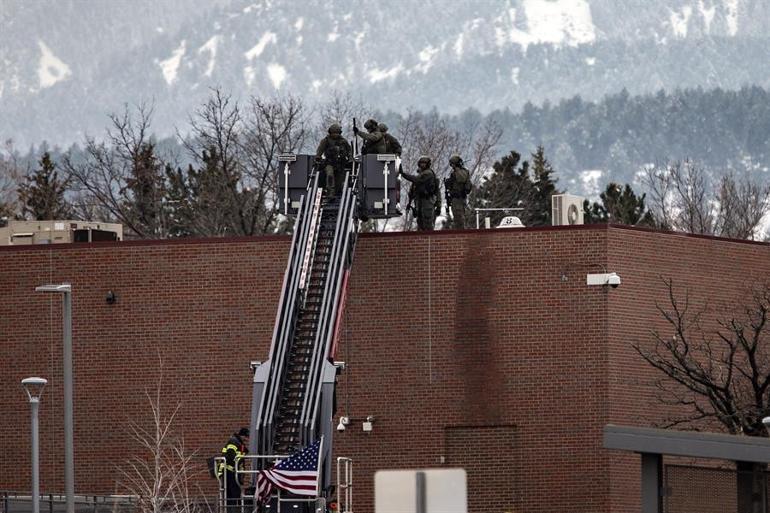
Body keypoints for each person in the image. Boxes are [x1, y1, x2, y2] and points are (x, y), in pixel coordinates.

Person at [399, 156, 440, 231]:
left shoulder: (428, 173)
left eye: (424, 163)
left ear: (428, 164)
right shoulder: (422, 174)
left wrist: (403, 174)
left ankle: (430, 239)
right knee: (420, 222)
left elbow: (416, 179)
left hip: (427, 201)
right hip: (420, 200)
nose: (422, 165)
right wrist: (410, 201)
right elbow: (413, 190)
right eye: (421, 163)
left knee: (427, 222)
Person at [218, 427, 250, 513]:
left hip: (233, 472)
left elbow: (240, 460)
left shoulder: (239, 443)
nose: (246, 439)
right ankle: (231, 510)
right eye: (246, 437)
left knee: (234, 493)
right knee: (232, 493)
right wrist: (237, 464)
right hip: (229, 472)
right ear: (242, 435)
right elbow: (230, 457)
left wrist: (241, 475)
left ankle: (233, 510)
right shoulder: (234, 442)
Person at [315, 123, 352, 196]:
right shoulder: (325, 140)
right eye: (334, 133)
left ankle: (336, 193)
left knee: (339, 181)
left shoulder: (343, 141)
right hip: (329, 162)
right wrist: (318, 157)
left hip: (340, 163)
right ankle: (330, 194)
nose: (336, 135)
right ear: (330, 133)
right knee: (330, 175)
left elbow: (349, 150)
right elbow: (320, 150)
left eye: (337, 133)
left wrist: (350, 157)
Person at [445, 154, 473, 229]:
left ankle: (461, 234)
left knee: (459, 219)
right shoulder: (456, 172)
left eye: (453, 164)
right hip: (455, 198)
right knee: (457, 218)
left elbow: (461, 179)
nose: (452, 166)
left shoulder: (462, 172)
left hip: (459, 198)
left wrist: (456, 171)